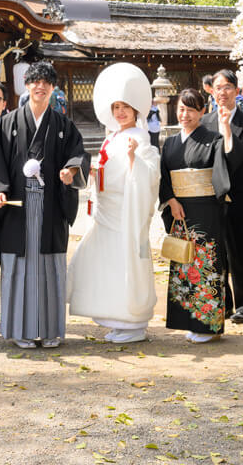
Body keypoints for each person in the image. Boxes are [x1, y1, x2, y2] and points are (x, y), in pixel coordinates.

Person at [0, 60, 88, 349]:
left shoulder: (63, 125)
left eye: (46, 82)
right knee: (19, 268)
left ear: (52, 88)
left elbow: (77, 155)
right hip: (17, 207)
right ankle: (21, 331)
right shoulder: (9, 123)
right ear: (26, 85)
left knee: (49, 269)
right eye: (35, 81)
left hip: (50, 206)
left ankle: (49, 330)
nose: (40, 86)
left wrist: (70, 172)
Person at [68, 63, 160, 344]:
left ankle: (133, 322)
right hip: (107, 209)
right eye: (116, 107)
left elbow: (150, 172)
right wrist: (96, 174)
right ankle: (115, 318)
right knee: (103, 261)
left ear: (136, 110)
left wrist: (134, 159)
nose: (120, 112)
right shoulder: (113, 138)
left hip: (126, 210)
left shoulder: (140, 137)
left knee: (126, 260)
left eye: (125, 107)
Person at [159, 88, 231, 343]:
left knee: (205, 263)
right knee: (184, 264)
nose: (184, 114)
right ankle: (189, 321)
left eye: (191, 109)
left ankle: (207, 325)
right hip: (179, 211)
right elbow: (164, 176)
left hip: (206, 208)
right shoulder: (170, 142)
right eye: (181, 108)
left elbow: (224, 172)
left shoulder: (214, 139)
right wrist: (170, 199)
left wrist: (226, 130)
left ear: (202, 111)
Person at [203, 69, 243, 324]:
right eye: (218, 87)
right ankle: (222, 303)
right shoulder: (205, 123)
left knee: (241, 254)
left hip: (241, 198)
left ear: (237, 91)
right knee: (216, 255)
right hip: (210, 199)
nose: (223, 92)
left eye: (228, 87)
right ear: (212, 91)